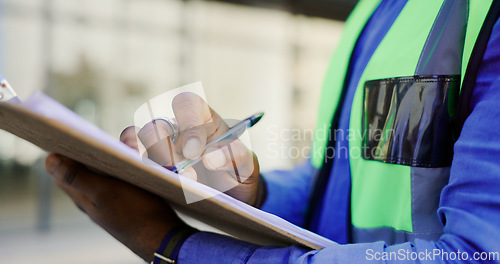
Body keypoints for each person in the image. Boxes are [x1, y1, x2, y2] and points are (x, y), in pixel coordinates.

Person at [45, 0, 500, 263]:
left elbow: (475, 255)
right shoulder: (376, 10)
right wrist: (253, 194)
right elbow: (336, 176)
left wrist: (175, 247)